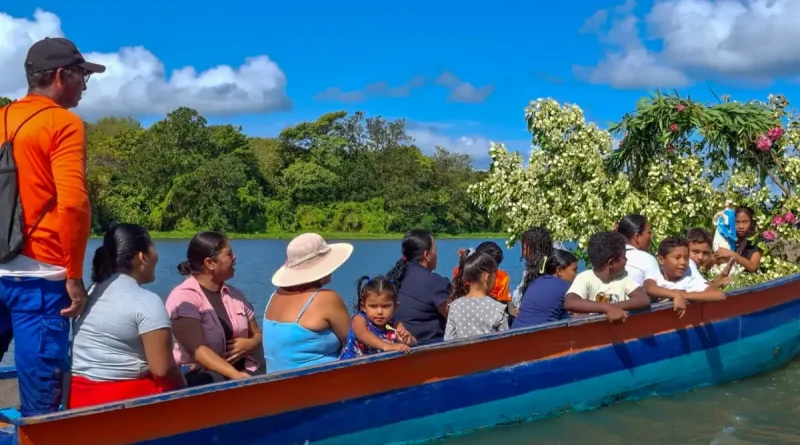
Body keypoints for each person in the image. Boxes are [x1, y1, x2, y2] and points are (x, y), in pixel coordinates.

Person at [0, 37, 104, 416]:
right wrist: (74, 276)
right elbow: (73, 204)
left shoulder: (2, 118)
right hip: (41, 282)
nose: (85, 85)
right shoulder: (63, 123)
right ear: (62, 76)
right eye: (82, 76)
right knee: (42, 407)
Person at [69, 224, 185, 408]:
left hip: (77, 398)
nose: (157, 255)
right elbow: (163, 371)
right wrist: (186, 389)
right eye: (153, 247)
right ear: (142, 257)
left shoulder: (91, 291)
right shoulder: (146, 301)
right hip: (118, 402)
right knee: (205, 380)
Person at [166, 232, 264, 386]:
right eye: (229, 254)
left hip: (244, 370)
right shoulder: (183, 298)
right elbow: (198, 351)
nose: (235, 258)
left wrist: (251, 344)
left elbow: (257, 333)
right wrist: (235, 375)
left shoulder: (236, 295)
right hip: (205, 378)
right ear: (210, 263)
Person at [264, 233, 352, 373]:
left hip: (277, 384)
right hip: (318, 384)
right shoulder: (327, 298)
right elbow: (352, 342)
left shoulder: (275, 295)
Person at [564, 232, 651, 322]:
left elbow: (643, 299)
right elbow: (570, 302)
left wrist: (613, 308)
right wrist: (607, 308)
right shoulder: (585, 278)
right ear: (611, 263)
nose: (626, 260)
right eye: (624, 257)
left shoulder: (623, 277)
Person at [388, 229, 450, 344]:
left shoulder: (396, 276)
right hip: (427, 347)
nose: (437, 254)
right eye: (435, 250)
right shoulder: (434, 282)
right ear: (427, 255)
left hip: (399, 343)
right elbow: (454, 318)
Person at [339, 276, 417, 359]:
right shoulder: (359, 319)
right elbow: (363, 335)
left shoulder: (395, 325)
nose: (379, 312)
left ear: (395, 306)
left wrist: (408, 339)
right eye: (373, 306)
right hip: (351, 367)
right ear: (363, 307)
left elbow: (414, 342)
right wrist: (387, 346)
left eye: (385, 306)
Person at [645, 236, 725, 315]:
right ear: (661, 260)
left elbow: (719, 295)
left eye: (686, 258)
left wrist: (684, 295)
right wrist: (675, 295)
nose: (683, 262)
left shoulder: (689, 279)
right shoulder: (656, 272)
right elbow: (650, 287)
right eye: (677, 258)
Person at [444, 251, 509, 341]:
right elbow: (505, 344)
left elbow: (448, 340)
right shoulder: (498, 309)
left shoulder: (455, 306)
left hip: (462, 354)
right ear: (487, 277)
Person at [512, 249, 579, 329]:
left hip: (515, 332)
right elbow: (583, 306)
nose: (576, 274)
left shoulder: (535, 282)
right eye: (574, 270)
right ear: (559, 271)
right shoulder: (565, 286)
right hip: (540, 336)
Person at [511, 227, 553, 309]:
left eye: (524, 248)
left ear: (535, 248)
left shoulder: (545, 271)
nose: (523, 253)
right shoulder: (529, 271)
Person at [714, 206, 763, 275]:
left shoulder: (756, 241)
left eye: (745, 222)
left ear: (751, 222)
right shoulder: (727, 237)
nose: (741, 226)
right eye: (737, 222)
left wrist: (733, 255)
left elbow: (752, 267)